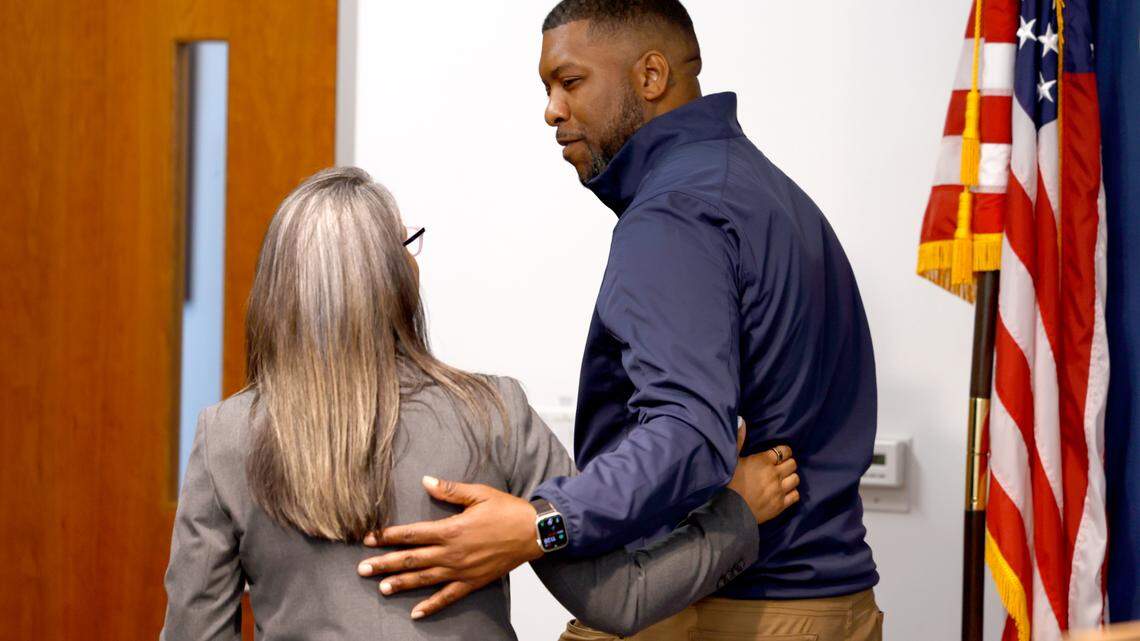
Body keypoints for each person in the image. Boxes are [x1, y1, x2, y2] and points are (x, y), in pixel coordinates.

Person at [358, 1, 883, 640]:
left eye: (570, 81)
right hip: (823, 600)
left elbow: (689, 429)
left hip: (725, 610)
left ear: (651, 76)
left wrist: (540, 523)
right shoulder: (768, 193)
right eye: (547, 88)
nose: (551, 108)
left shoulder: (676, 213)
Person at [159, 167, 800, 641]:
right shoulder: (494, 414)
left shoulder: (225, 436)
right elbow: (620, 601)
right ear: (398, 275)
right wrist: (736, 513)